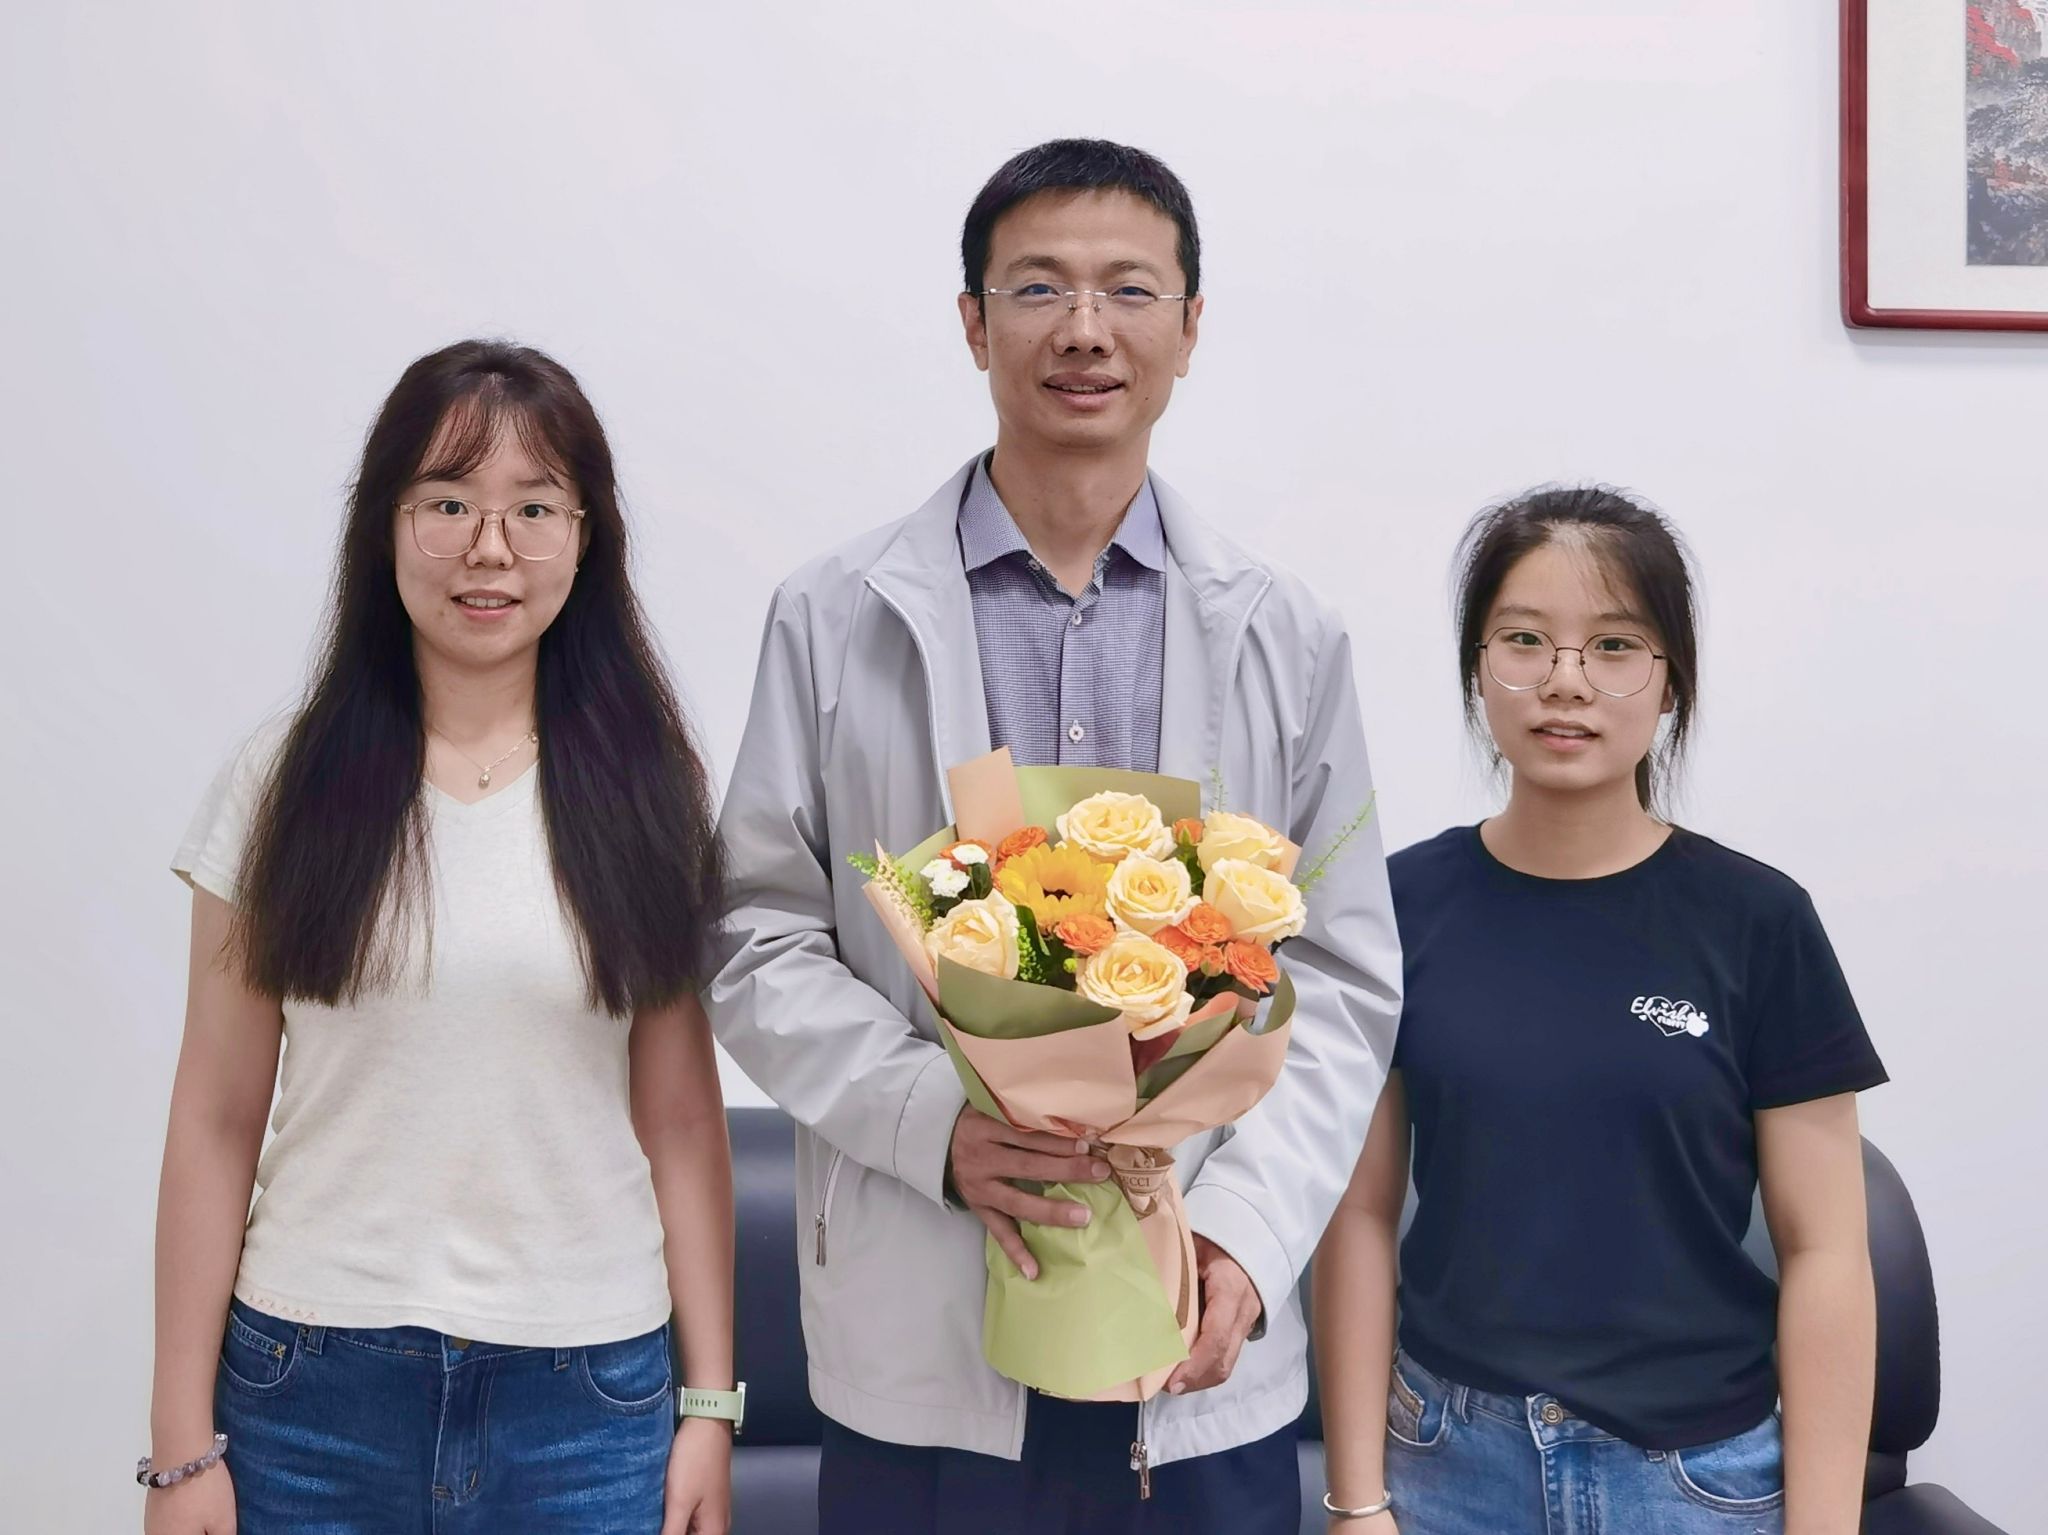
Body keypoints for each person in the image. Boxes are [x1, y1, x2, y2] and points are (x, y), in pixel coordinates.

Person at [708, 138, 1401, 1534]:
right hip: (923, 1333)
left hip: (1197, 1336)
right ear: (973, 322)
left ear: (1189, 329)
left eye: (1129, 289)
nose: (1085, 329)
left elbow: (1338, 975)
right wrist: (937, 1123)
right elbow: (756, 934)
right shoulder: (835, 615)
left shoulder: (1283, 629)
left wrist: (1248, 1233)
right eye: (1038, 288)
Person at [144, 340, 739, 1535]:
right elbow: (215, 1116)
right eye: (448, 503)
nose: (489, 547)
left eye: (534, 508)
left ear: (586, 535)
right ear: (386, 525)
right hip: (310, 1384)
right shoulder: (281, 781)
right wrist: (178, 1446)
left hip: (588, 1396)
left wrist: (710, 1406)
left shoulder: (648, 789)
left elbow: (680, 1117)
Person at [1312, 486, 1887, 1534]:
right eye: (1524, 640)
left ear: (1669, 682)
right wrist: (1357, 1501)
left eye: (1614, 645)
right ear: (1477, 669)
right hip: (1448, 1465)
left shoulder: (1757, 921)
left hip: (1697, 1480)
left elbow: (1825, 1252)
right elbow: (1357, 1213)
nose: (1564, 680)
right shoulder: (1397, 907)